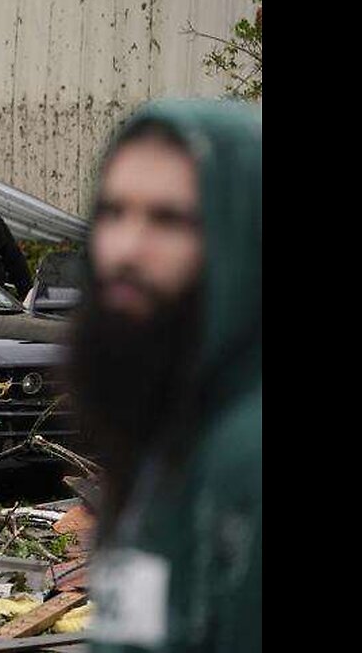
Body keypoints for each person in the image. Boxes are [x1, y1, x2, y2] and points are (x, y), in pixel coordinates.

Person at [69, 100, 261, 652]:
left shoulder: (247, 456)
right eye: (113, 212)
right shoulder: (175, 415)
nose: (126, 249)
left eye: (169, 219)